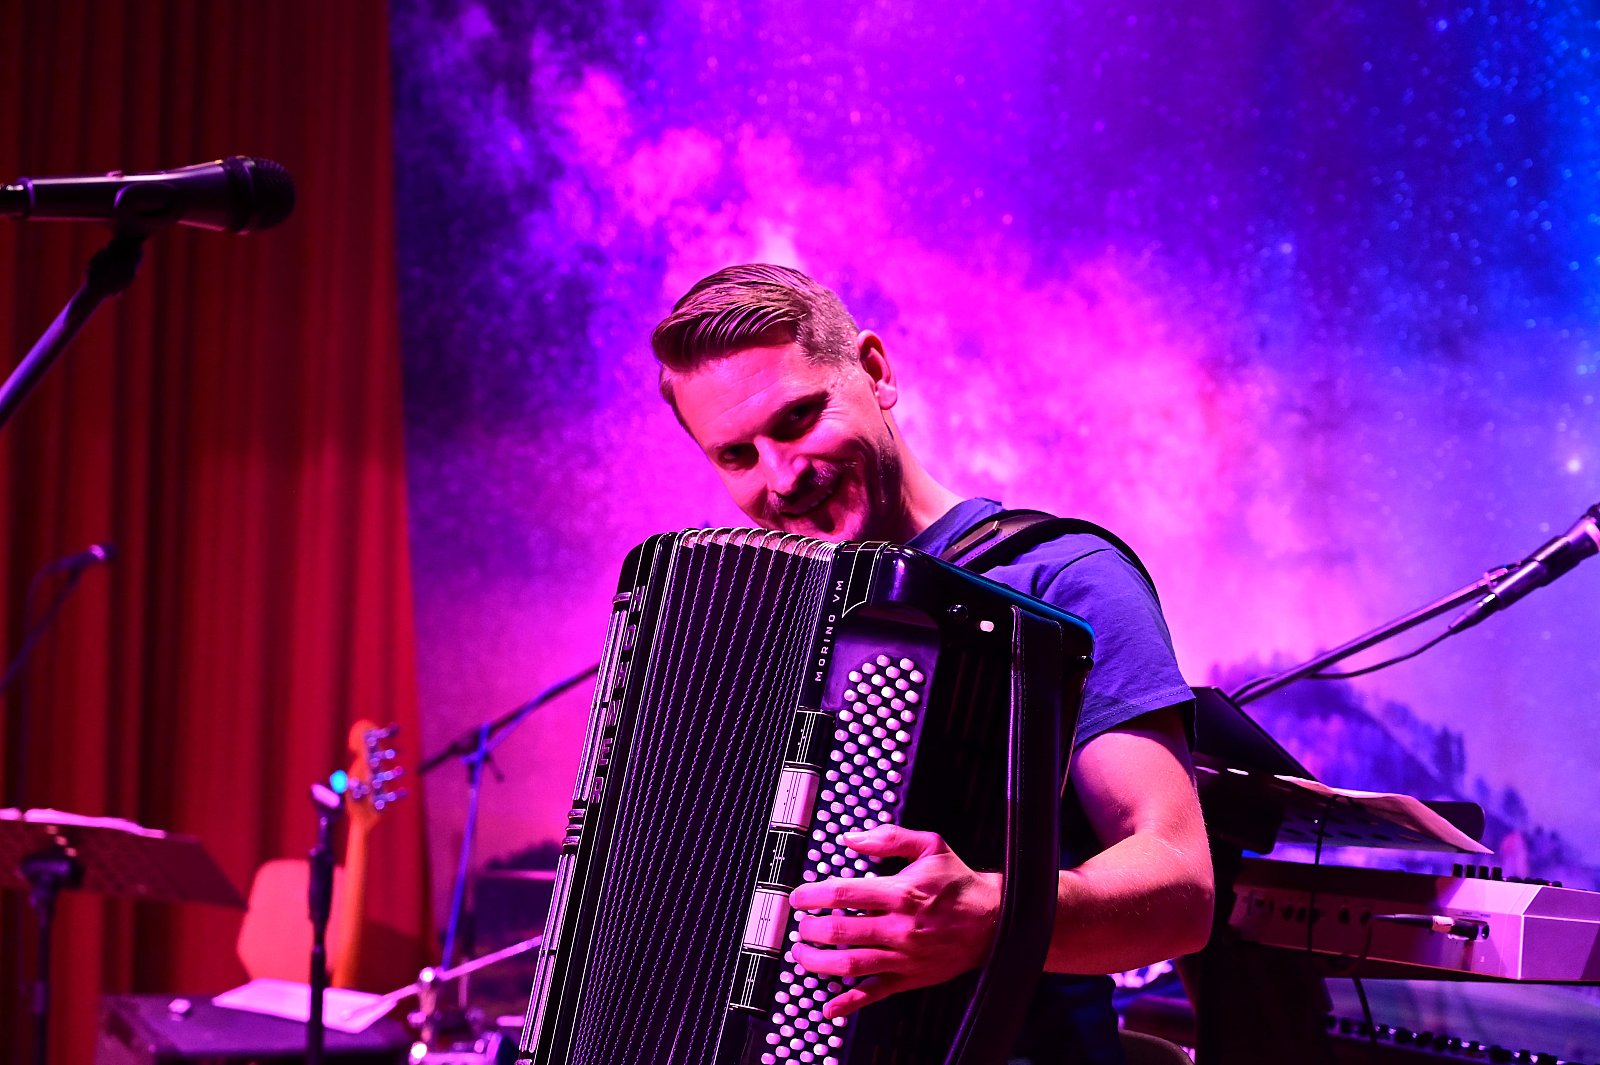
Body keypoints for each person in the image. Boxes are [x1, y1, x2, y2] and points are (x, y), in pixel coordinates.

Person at [649, 263, 1213, 1063]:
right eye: (738, 455)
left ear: (876, 372)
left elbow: (1183, 889)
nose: (783, 475)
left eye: (800, 417)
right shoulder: (746, 631)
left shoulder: (1060, 579)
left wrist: (990, 914)